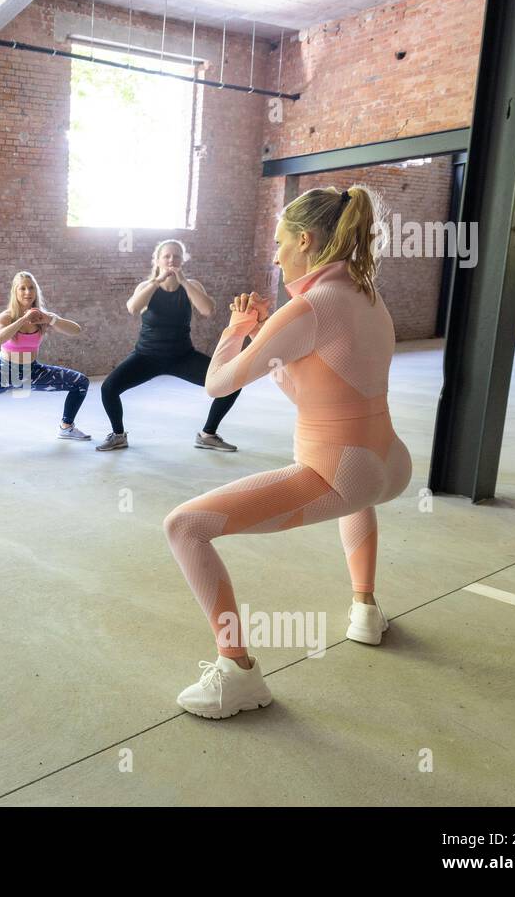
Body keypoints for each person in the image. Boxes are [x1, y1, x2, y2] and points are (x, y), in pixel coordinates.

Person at [163, 186, 412, 718]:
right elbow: (314, 386)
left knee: (184, 526)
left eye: (279, 242)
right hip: (391, 465)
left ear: (304, 239)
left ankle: (237, 675)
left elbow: (218, 383)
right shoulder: (368, 293)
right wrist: (269, 339)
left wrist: (237, 330)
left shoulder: (309, 306)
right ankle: (365, 609)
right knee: (357, 498)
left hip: (343, 472)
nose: (274, 254)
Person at [96, 239, 241, 452]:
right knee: (108, 389)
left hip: (182, 356)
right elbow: (133, 308)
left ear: (183, 260)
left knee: (231, 382)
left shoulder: (191, 286)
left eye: (176, 256)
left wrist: (184, 281)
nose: (171, 260)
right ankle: (118, 435)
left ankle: (207, 435)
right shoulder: (147, 287)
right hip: (146, 356)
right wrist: (156, 282)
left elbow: (208, 310)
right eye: (167, 256)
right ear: (157, 260)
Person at [0, 272, 91, 450]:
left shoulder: (42, 317)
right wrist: (22, 320)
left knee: (80, 382)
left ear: (36, 291)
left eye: (31, 288)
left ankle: (66, 428)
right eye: (22, 288)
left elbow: (76, 330)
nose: (27, 292)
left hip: (32, 371)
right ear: (15, 291)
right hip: (4, 371)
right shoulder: (5, 317)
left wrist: (50, 319)